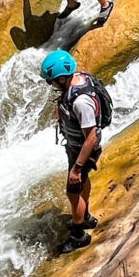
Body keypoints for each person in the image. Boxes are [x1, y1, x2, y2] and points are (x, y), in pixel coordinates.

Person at [40, 49, 110, 254]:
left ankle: (79, 236)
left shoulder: (81, 102)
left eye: (52, 80)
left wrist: (77, 167)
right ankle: (85, 216)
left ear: (62, 79)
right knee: (80, 184)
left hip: (83, 150)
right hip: (77, 147)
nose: (50, 84)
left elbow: (91, 137)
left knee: (72, 191)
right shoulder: (81, 78)